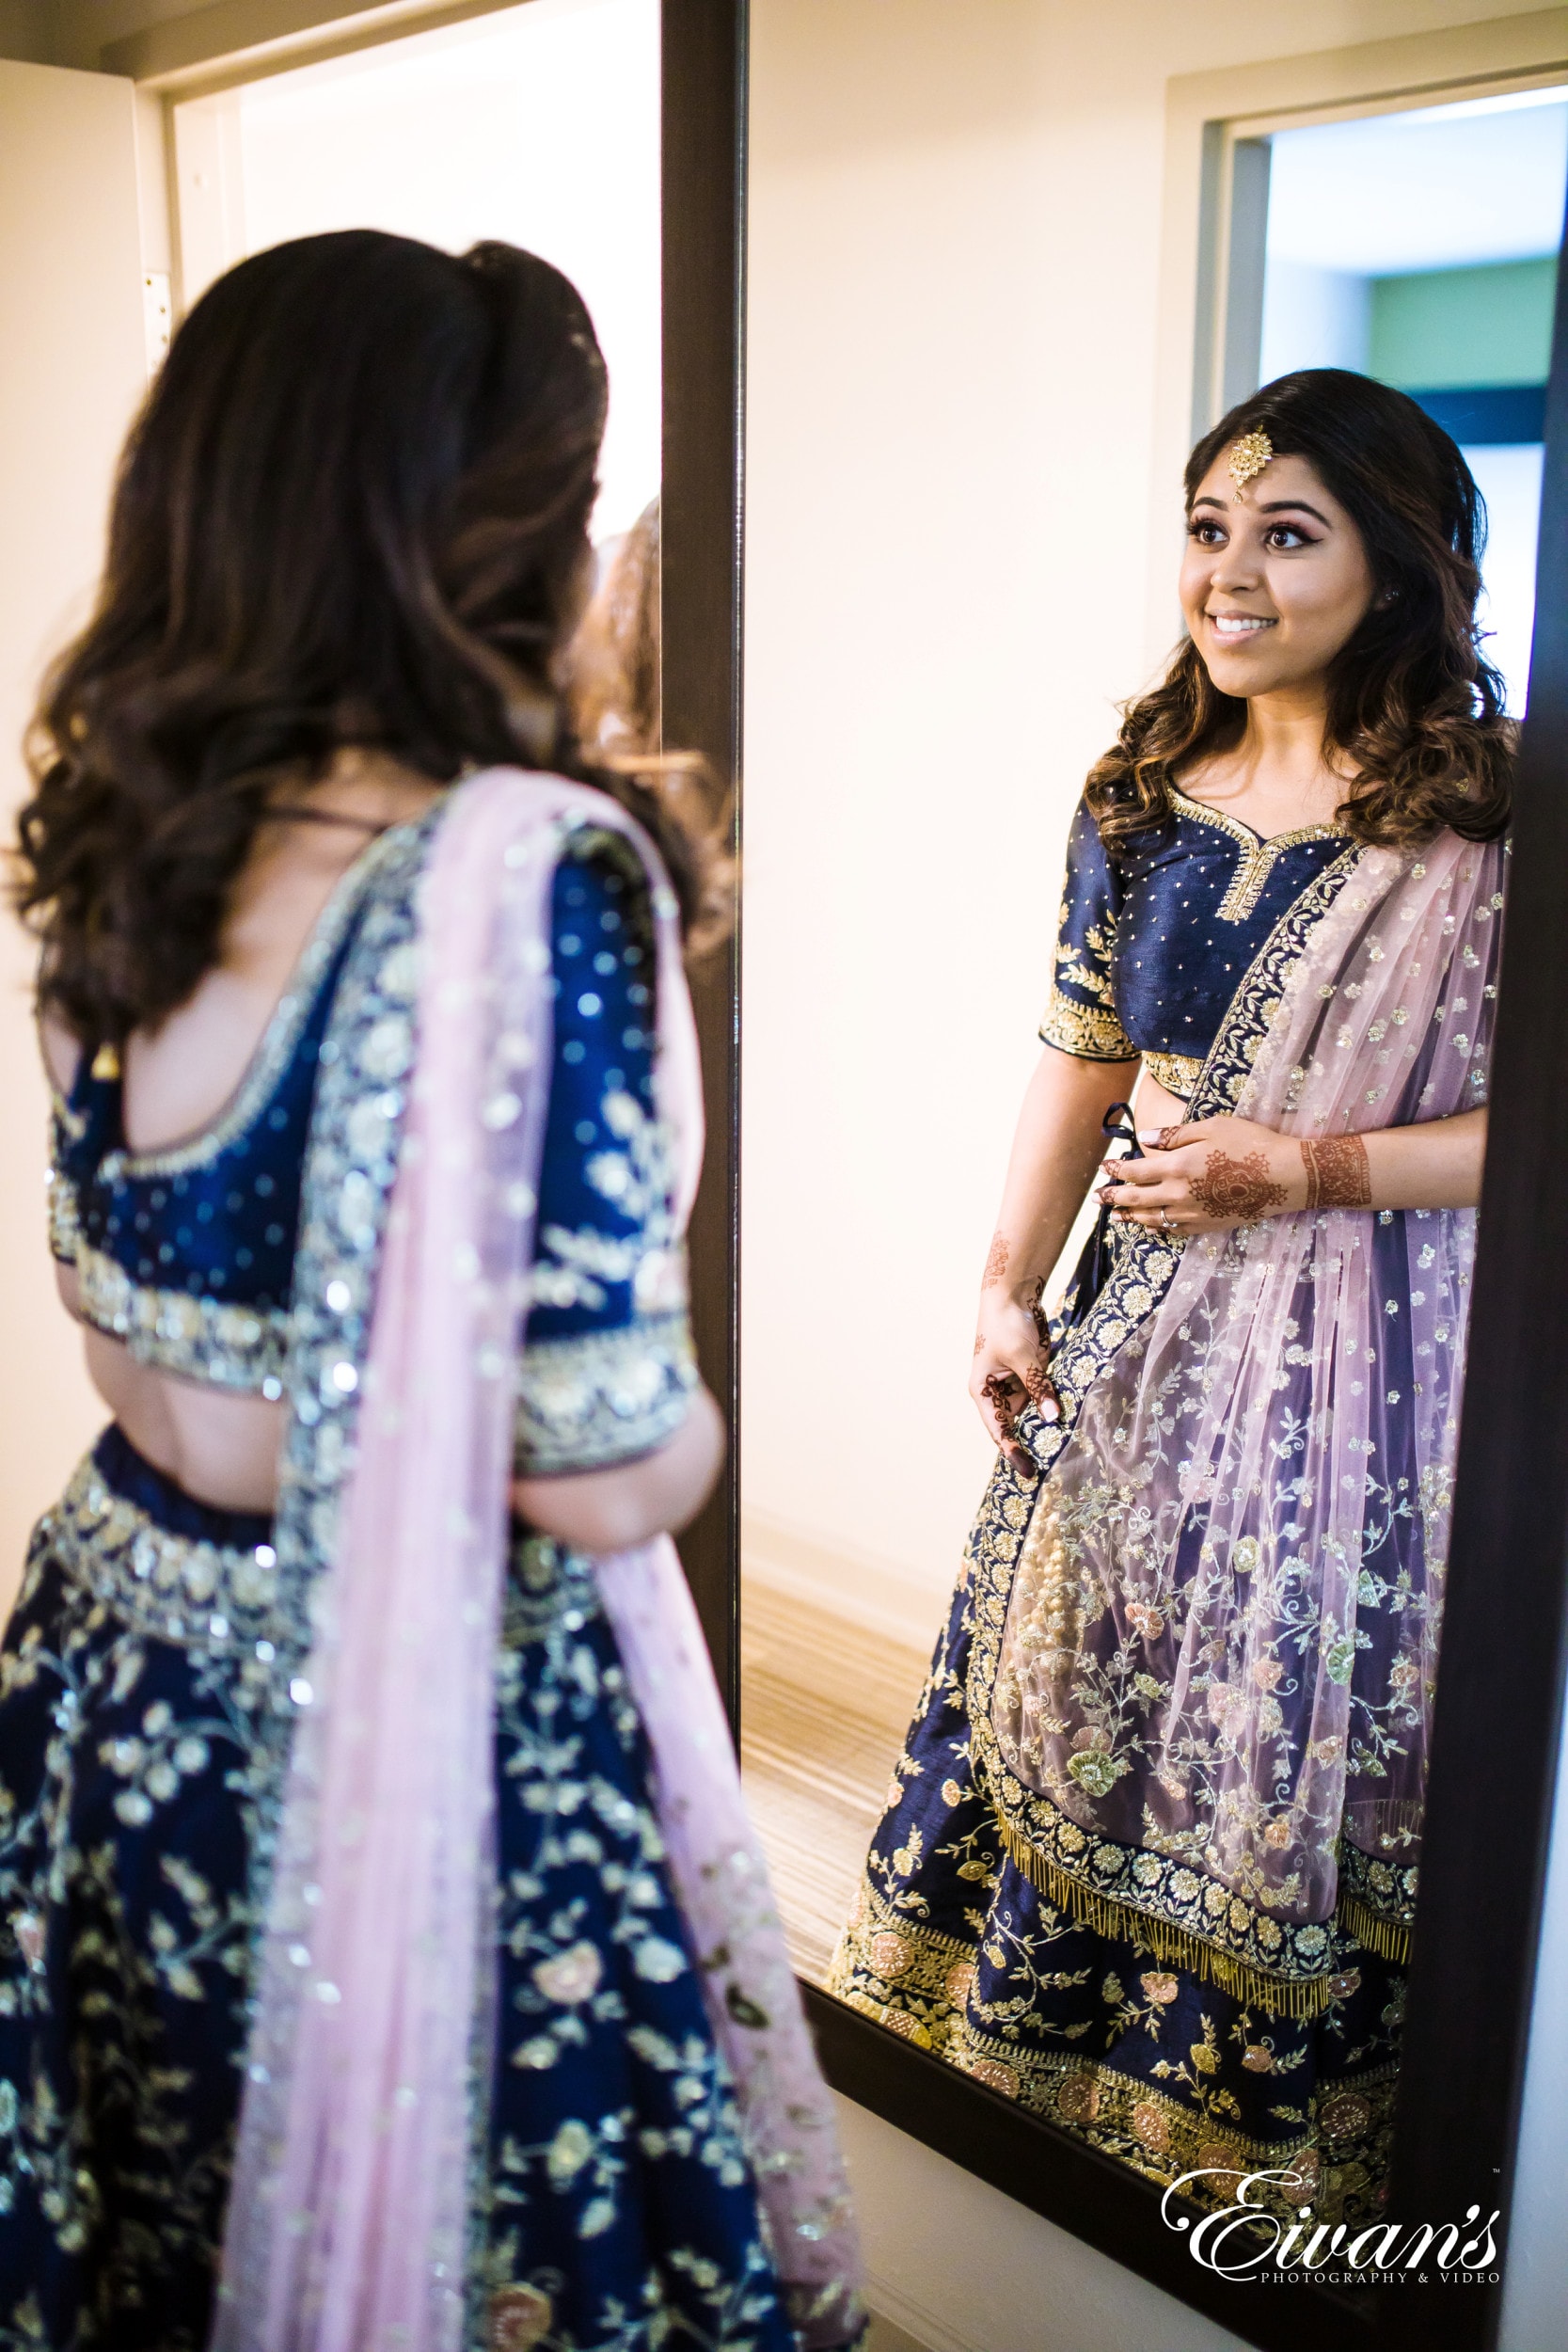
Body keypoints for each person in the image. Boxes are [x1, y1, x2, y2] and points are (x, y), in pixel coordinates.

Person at [1, 230, 861, 2352]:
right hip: (408, 1735)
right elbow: (593, 1466)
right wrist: (706, 1431)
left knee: (158, 2219)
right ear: (505, 537)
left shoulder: (134, 835)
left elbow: (133, 1331)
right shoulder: (519, 876)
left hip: (119, 1681)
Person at [831, 370, 1511, 2226]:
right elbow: (1080, 1051)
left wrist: (1306, 1166)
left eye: (1287, 532)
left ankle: (1254, 2160)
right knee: (1086, 1681)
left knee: (1292, 1712)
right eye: (1210, 527)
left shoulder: (1481, 814)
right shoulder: (1141, 787)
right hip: (1137, 1338)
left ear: (1401, 564)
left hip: (1372, 1381)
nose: (1229, 571)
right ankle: (1050, 2105)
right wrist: (1000, 1282)